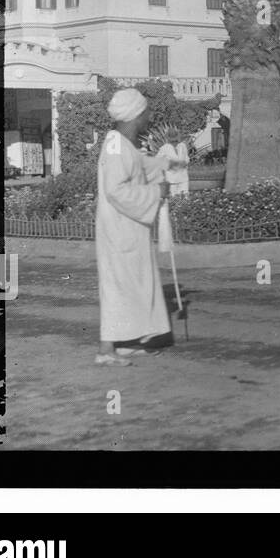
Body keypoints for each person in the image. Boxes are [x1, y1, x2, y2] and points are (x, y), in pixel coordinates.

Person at [94, 89, 172, 366]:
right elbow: (116, 190)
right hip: (119, 230)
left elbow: (139, 167)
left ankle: (126, 340)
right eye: (146, 111)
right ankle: (106, 349)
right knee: (117, 286)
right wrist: (155, 193)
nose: (149, 117)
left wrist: (167, 164)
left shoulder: (124, 144)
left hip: (130, 228)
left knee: (132, 284)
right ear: (136, 114)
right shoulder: (116, 145)